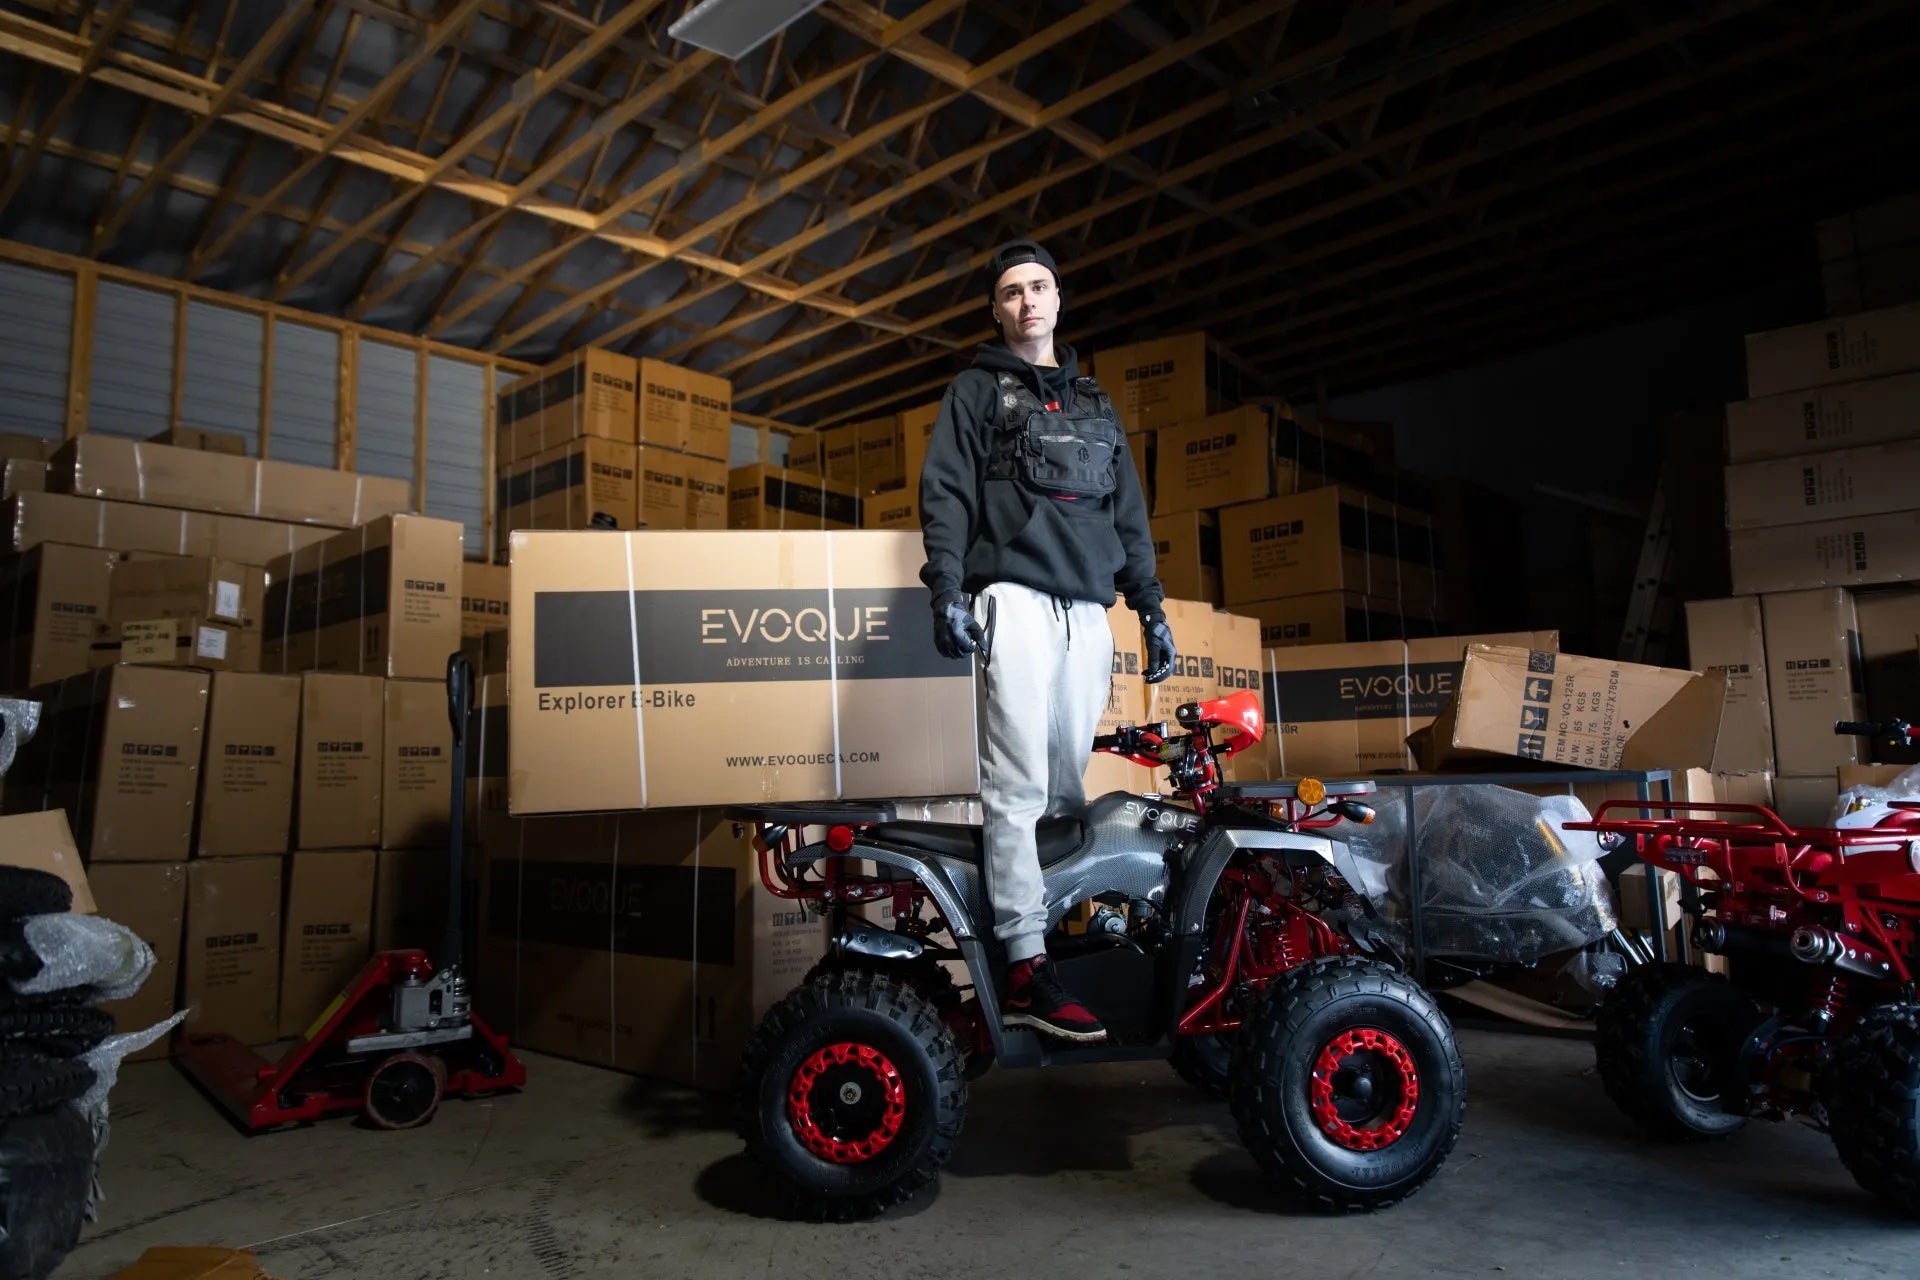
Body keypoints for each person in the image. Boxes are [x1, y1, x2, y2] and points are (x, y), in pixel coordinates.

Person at [917, 239, 1176, 1045]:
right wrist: (949, 588)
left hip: (1087, 617)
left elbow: (1127, 515)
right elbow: (948, 492)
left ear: (1058, 300)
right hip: (1017, 603)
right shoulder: (974, 391)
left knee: (1067, 788)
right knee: (1018, 784)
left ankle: (1058, 936)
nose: (1027, 300)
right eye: (1010, 292)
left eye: (1038, 286)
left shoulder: (1096, 404)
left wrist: (1153, 608)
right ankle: (1025, 963)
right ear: (997, 311)